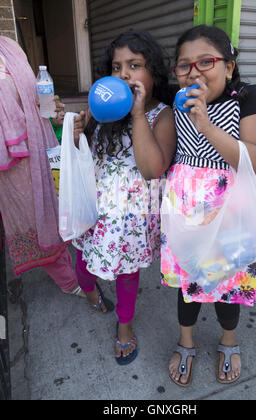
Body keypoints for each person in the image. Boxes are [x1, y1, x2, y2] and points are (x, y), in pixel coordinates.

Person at [161, 25, 256, 386]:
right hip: (185, 211)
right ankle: (186, 340)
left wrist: (206, 125)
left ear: (228, 66)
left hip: (233, 212)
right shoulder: (174, 99)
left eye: (205, 61)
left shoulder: (250, 97)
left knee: (228, 285)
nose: (193, 72)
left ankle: (228, 340)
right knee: (189, 282)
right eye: (184, 65)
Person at [73, 30, 177, 364]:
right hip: (94, 201)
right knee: (83, 255)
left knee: (127, 272)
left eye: (135, 65)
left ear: (153, 73)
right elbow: (86, 153)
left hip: (131, 212)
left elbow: (152, 169)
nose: (124, 74)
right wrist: (76, 133)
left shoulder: (160, 114)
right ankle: (89, 291)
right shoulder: (103, 110)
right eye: (117, 67)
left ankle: (125, 326)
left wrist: (136, 113)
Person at [0, 36, 86, 299]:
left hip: (39, 146)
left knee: (52, 210)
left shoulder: (10, 46)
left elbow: (35, 98)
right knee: (32, 220)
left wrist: (53, 109)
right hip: (10, 164)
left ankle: (66, 271)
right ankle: (68, 281)